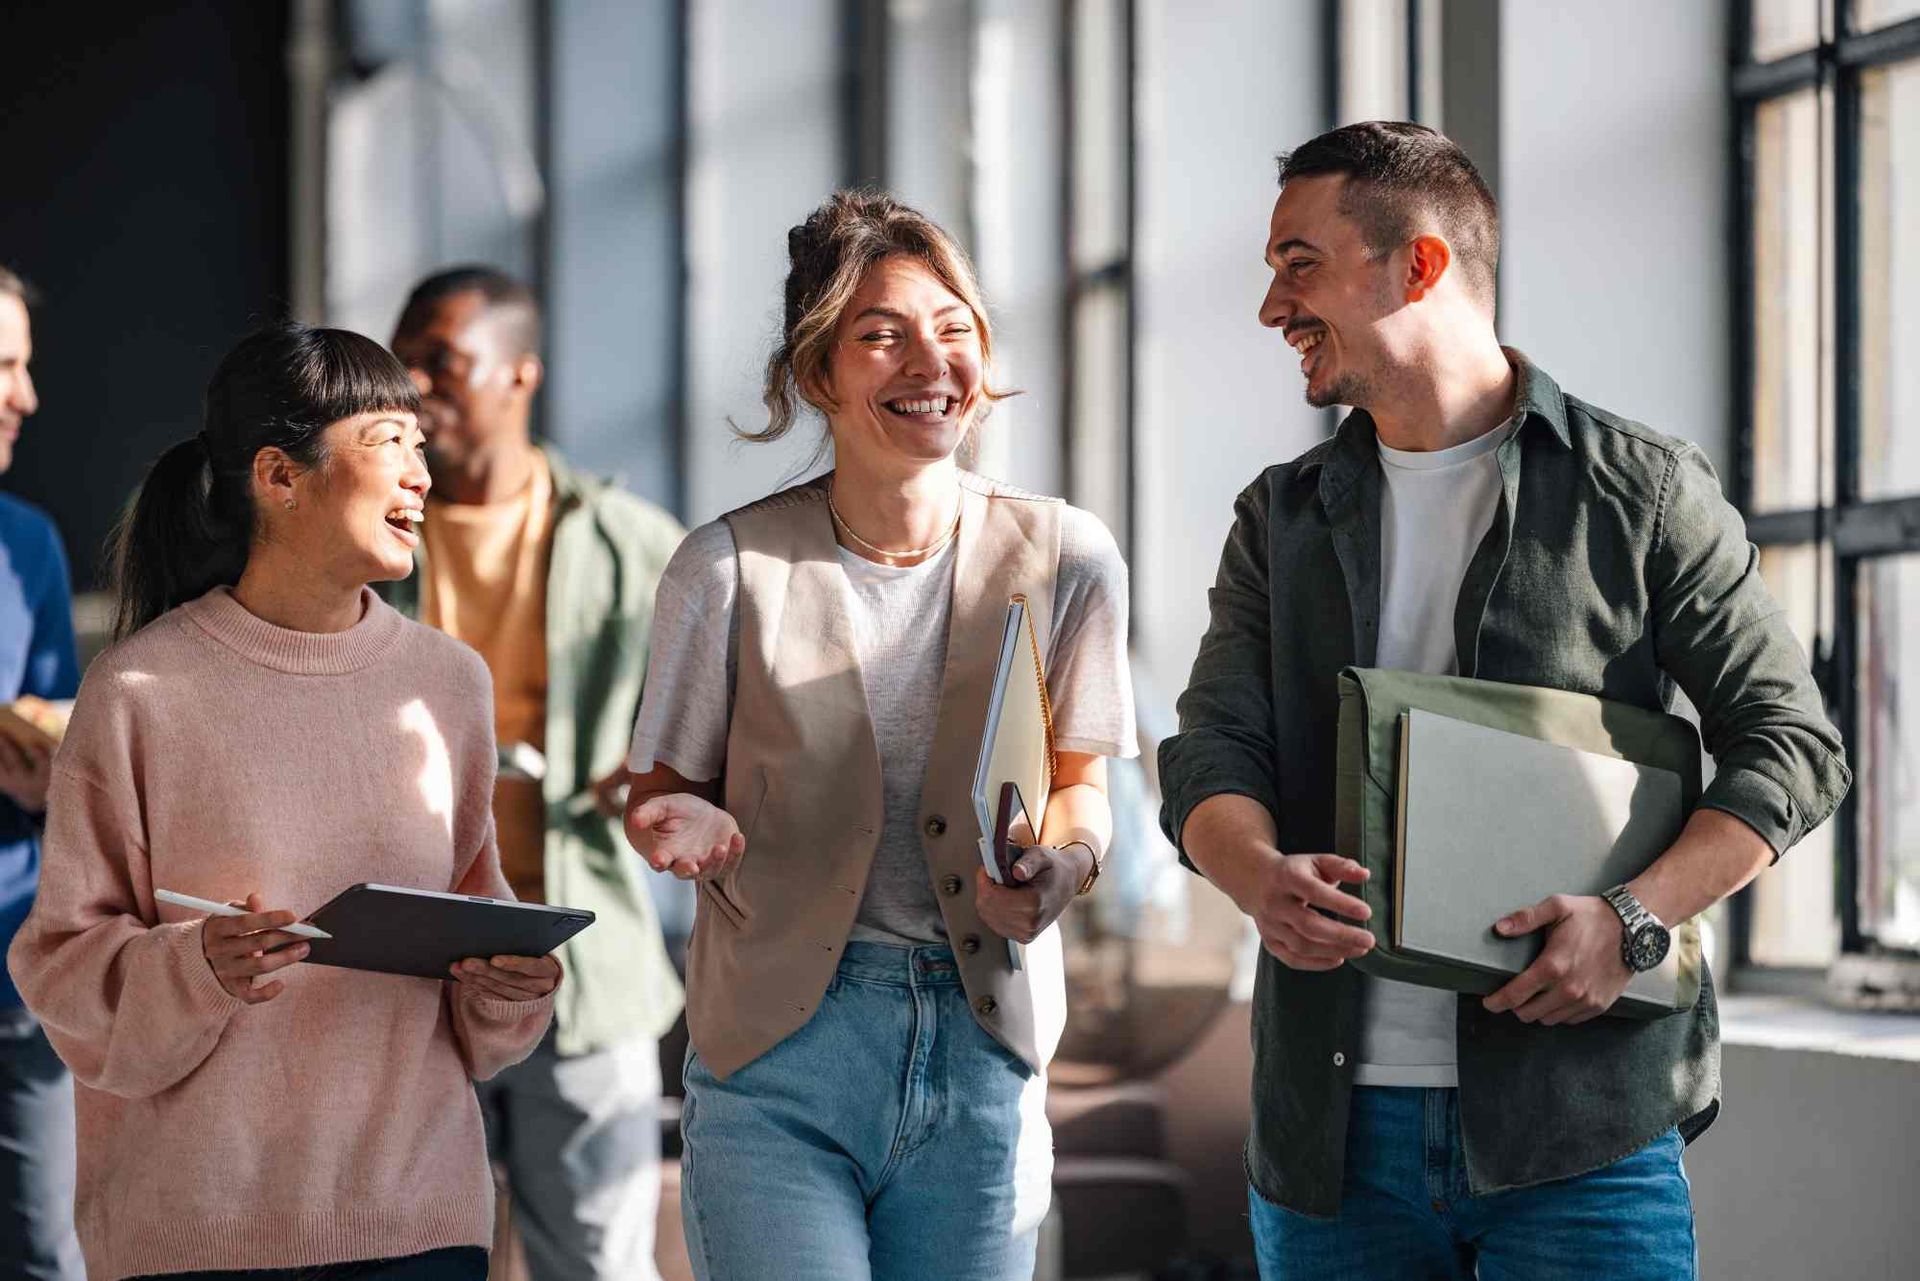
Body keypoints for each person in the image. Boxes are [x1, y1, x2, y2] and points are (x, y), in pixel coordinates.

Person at [1157, 122, 1850, 1280]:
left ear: (1418, 266)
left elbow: (1792, 743)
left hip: (1583, 1134)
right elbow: (1211, 749)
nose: (1272, 308)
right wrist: (1255, 876)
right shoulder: (1279, 520)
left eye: (1298, 264)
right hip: (1333, 1148)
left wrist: (1633, 922)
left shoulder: (1641, 492)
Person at [623, 189, 1134, 1281]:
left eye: (953, 330)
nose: (929, 361)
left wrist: (1067, 866)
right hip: (780, 1054)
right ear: (818, 374)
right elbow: (656, 791)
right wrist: (684, 820)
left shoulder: (1066, 558)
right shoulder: (726, 570)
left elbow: (1083, 785)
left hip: (982, 1040)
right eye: (881, 335)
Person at [6, 322, 561, 1281]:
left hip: (422, 1219)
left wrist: (508, 986)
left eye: (421, 445)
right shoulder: (141, 690)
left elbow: (479, 935)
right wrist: (197, 966)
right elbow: (62, 969)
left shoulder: (449, 684)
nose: (422, 474)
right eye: (390, 441)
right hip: (198, 1232)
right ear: (280, 475)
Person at [384, 266, 686, 1281]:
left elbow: (722, 740)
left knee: (598, 1264)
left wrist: (658, 777)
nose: (415, 385)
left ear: (521, 374)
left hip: (583, 969)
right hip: (409, 973)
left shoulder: (634, 549)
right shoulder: (369, 540)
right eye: (405, 362)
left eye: (442, 361)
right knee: (407, 1257)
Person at [0, 265, 84, 1281]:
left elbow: (62, 738)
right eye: (4, 368)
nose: (26, 395)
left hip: (19, 970)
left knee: (47, 1258)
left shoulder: (30, 545)